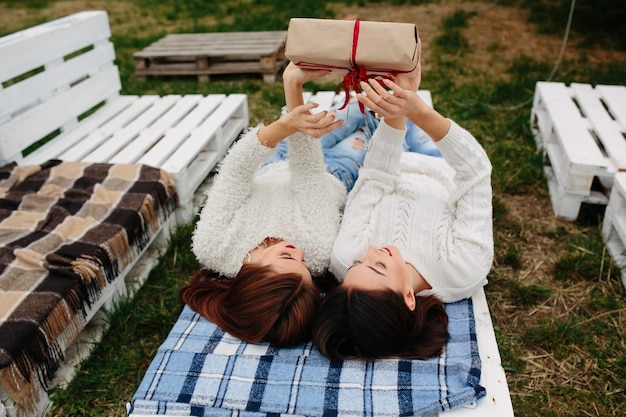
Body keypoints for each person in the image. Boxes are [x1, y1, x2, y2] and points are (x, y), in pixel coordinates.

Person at [312, 52, 494, 360]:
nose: (370, 252)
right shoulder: (464, 269)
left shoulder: (344, 259)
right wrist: (419, 112)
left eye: (358, 265)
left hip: (384, 158)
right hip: (440, 164)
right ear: (409, 298)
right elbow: (474, 173)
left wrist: (395, 115)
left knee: (359, 114)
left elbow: (374, 178)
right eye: (379, 266)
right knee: (411, 120)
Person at [179, 64, 347, 347]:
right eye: (304, 265)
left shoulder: (215, 244)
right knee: (354, 122)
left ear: (249, 274)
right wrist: (294, 95)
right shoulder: (319, 251)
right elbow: (308, 172)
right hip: (334, 171)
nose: (300, 252)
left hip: (270, 163)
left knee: (331, 120)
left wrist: (286, 116)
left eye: (286, 259)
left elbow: (234, 173)